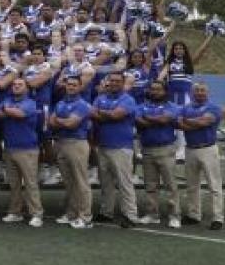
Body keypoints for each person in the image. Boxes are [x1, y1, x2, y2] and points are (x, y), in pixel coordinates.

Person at [91, 71, 138, 228]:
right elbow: (92, 113)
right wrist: (107, 114)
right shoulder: (100, 98)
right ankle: (106, 212)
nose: (114, 83)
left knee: (124, 182)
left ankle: (130, 215)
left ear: (123, 83)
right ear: (107, 82)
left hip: (121, 147)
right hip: (103, 145)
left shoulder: (128, 99)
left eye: (118, 81)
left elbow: (117, 115)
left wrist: (102, 114)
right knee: (106, 183)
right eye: (112, 81)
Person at [0, 79, 43, 227]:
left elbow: (20, 114)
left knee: (30, 183)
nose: (16, 86)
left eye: (20, 85)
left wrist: (7, 110)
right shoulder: (7, 100)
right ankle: (15, 212)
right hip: (10, 147)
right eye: (14, 85)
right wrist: (8, 110)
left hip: (27, 148)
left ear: (26, 88)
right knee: (14, 184)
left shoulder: (30, 102)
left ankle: (36, 213)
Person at [135, 80, 181, 228]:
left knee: (170, 185)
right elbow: (139, 122)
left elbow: (164, 119)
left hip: (165, 149)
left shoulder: (172, 106)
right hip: (147, 149)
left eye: (158, 90)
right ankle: (152, 214)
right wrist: (156, 120)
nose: (155, 92)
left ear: (165, 92)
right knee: (150, 185)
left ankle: (174, 215)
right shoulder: (142, 106)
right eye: (152, 89)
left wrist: (149, 118)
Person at [178, 83, 224, 230]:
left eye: (202, 90)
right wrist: (194, 123)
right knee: (192, 185)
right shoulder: (186, 107)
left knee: (214, 186)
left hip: (208, 149)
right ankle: (194, 214)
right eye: (196, 90)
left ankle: (218, 217)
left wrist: (188, 122)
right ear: (192, 92)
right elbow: (178, 124)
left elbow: (204, 122)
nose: (199, 93)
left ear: (207, 92)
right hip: (190, 149)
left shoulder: (213, 107)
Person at [49, 77, 93, 228]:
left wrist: (61, 121)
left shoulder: (82, 104)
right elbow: (51, 122)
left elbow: (71, 123)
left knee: (81, 182)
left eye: (75, 85)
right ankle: (72, 213)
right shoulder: (61, 103)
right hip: (61, 143)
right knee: (69, 183)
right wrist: (64, 121)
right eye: (69, 84)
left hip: (77, 143)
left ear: (80, 87)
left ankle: (85, 217)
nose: (71, 87)